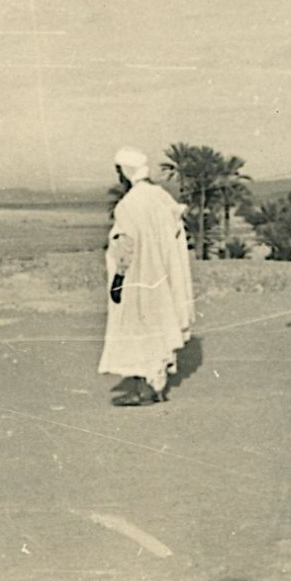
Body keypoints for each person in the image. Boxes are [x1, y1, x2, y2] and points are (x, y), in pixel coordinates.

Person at [97, 146, 195, 406]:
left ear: (125, 172)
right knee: (159, 325)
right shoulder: (161, 197)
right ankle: (157, 384)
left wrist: (118, 279)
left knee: (139, 326)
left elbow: (126, 245)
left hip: (140, 278)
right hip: (163, 276)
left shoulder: (129, 204)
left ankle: (144, 391)